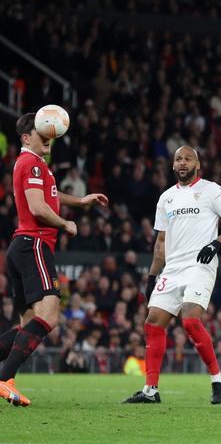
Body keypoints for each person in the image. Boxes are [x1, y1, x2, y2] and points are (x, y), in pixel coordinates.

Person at [0, 112, 108, 406]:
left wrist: (79, 201)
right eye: (40, 131)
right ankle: (4, 376)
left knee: (29, 324)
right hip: (34, 244)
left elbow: (48, 194)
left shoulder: (33, 165)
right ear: (26, 137)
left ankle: (5, 376)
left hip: (22, 247)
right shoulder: (31, 164)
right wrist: (65, 223)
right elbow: (37, 207)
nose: (48, 135)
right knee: (49, 316)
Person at [122, 146, 221, 405]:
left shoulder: (212, 190)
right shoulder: (166, 198)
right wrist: (152, 277)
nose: (183, 163)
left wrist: (217, 244)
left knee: (189, 320)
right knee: (152, 322)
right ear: (172, 166)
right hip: (172, 269)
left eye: (188, 159)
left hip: (200, 264)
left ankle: (217, 379)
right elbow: (161, 241)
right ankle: (150, 390)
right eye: (178, 159)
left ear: (197, 164)